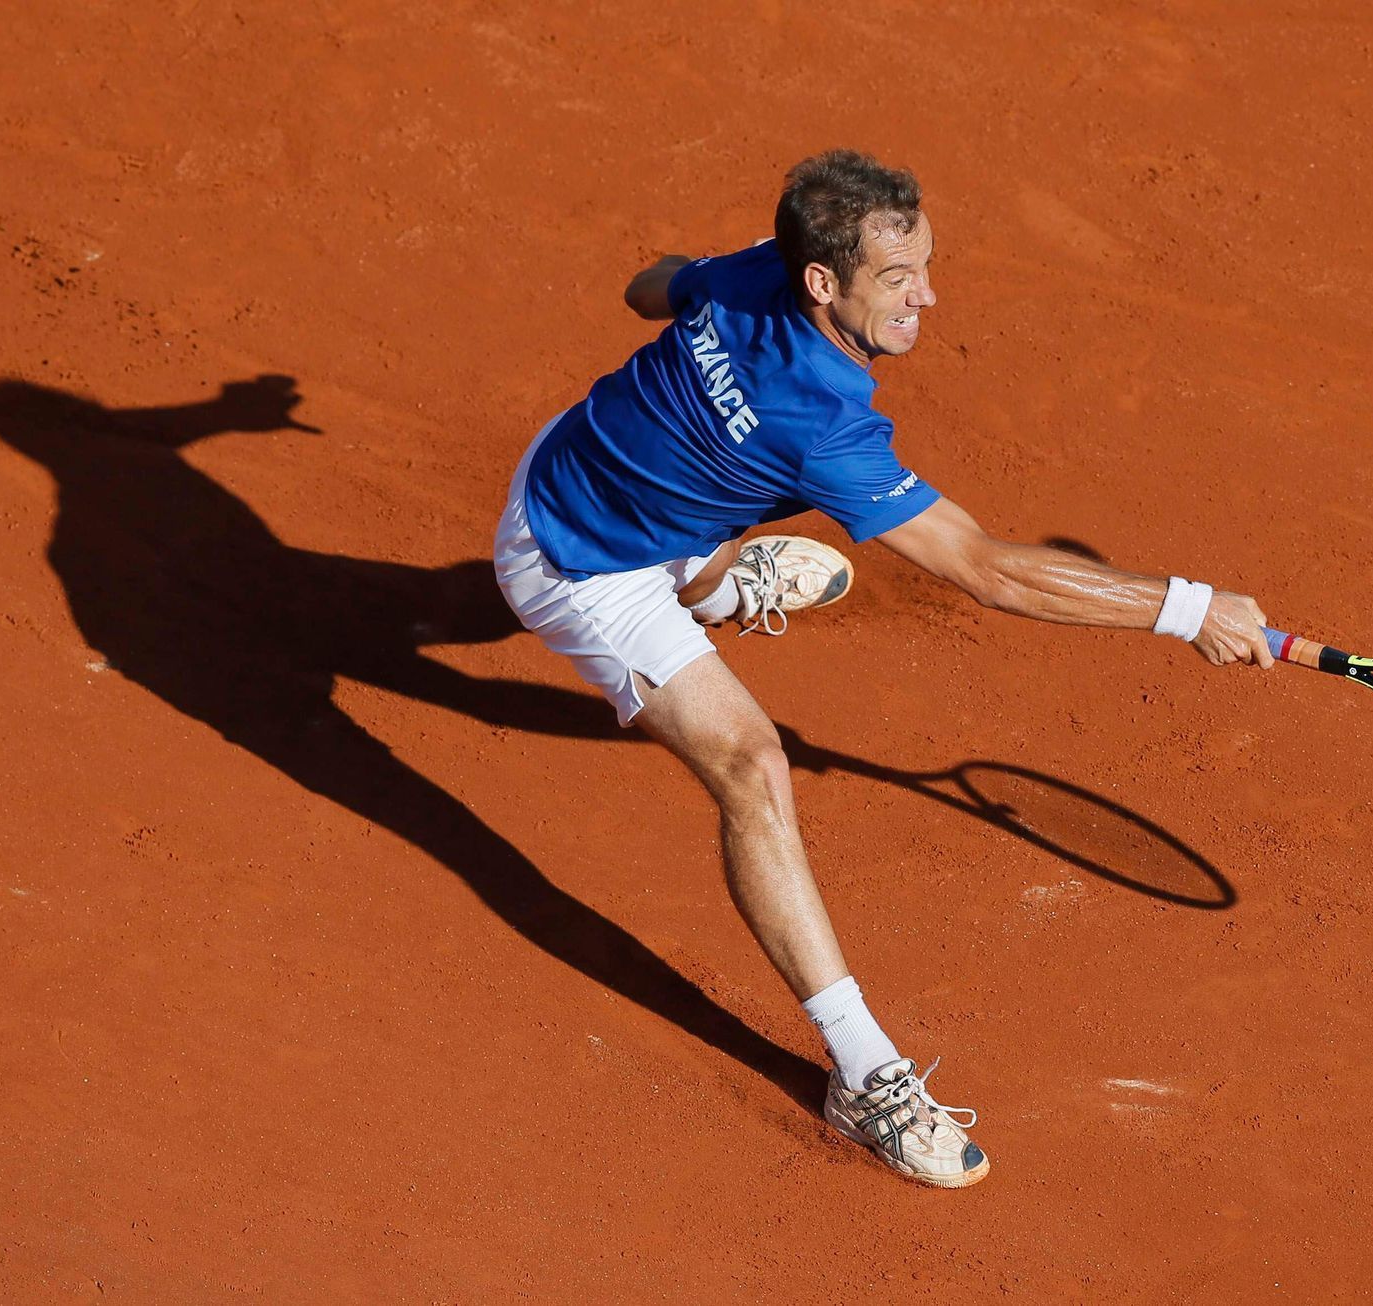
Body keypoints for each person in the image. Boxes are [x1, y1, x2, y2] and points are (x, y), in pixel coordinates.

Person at [494, 149, 1273, 1189]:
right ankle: (863, 1074)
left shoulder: (751, 273)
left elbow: (655, 285)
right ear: (823, 280)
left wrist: (689, 322)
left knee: (720, 481)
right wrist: (1189, 608)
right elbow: (986, 571)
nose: (926, 297)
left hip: (578, 451)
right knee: (752, 766)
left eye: (925, 267)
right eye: (898, 280)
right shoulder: (822, 425)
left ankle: (717, 575)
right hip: (580, 564)